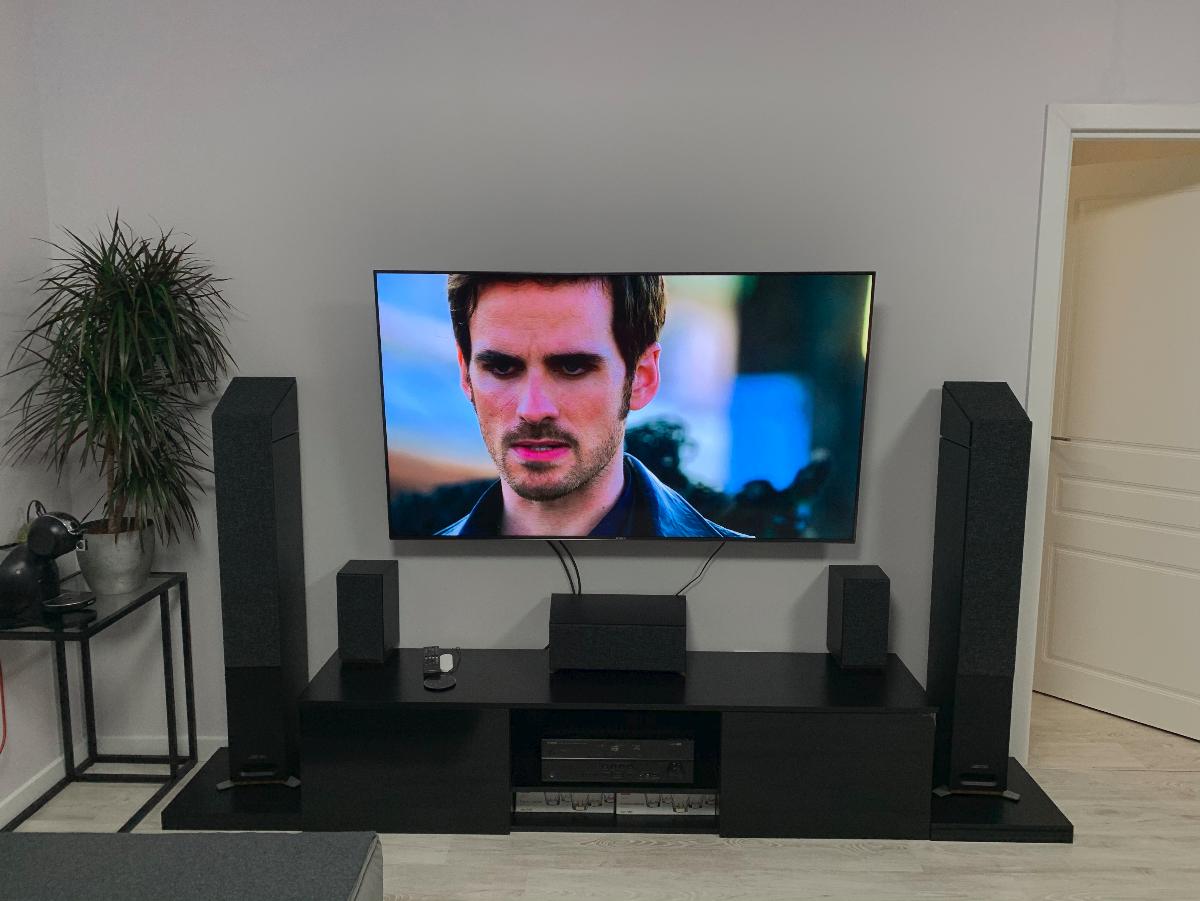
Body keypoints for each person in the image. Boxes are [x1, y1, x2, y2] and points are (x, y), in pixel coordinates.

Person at [435, 273, 749, 538]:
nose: (533, 409)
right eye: (502, 368)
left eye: (572, 368)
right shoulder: (423, 577)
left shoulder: (734, 572)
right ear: (466, 374)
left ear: (641, 378)